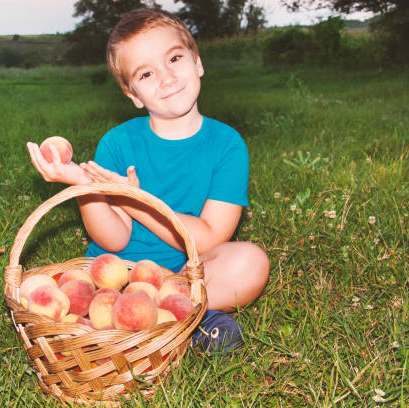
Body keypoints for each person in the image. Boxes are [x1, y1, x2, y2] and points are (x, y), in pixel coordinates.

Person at [27, 8, 269, 353]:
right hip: (117, 280)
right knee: (68, 288)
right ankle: (177, 323)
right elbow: (112, 237)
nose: (167, 78)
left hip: (183, 277)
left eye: (174, 58)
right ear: (134, 95)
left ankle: (168, 314)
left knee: (250, 262)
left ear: (197, 62)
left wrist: (131, 199)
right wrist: (84, 185)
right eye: (146, 74)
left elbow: (209, 238)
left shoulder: (228, 145)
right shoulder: (118, 143)